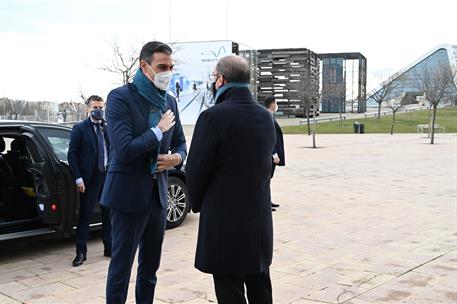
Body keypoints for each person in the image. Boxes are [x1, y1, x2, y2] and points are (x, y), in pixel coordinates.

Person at [100, 41, 187, 304]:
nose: (167, 72)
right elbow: (124, 149)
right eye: (162, 66)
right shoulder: (119, 98)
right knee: (121, 269)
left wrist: (176, 158)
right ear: (144, 66)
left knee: (150, 269)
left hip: (158, 198)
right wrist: (158, 131)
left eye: (171, 67)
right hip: (127, 196)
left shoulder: (169, 100)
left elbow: (182, 143)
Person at [186, 55, 276, 304]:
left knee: (229, 289)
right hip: (258, 219)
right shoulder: (265, 117)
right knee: (260, 285)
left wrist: (196, 203)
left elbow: (195, 170)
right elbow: (266, 166)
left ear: (221, 79)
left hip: (224, 220)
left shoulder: (212, 117)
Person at [67, 95, 112, 267]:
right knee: (85, 216)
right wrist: (78, 178)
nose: (98, 111)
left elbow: (112, 150)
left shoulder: (107, 127)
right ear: (88, 109)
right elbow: (72, 154)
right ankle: (81, 252)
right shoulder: (80, 128)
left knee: (108, 215)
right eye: (95, 108)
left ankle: (109, 248)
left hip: (107, 177)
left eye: (101, 107)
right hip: (89, 179)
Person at [264, 96, 286, 211]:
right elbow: (269, 137)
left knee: (268, 179)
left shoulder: (270, 116)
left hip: (271, 154)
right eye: (276, 103)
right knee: (266, 179)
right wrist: (274, 155)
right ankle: (265, 203)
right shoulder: (267, 117)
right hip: (270, 155)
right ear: (272, 104)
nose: (277, 105)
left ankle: (268, 201)